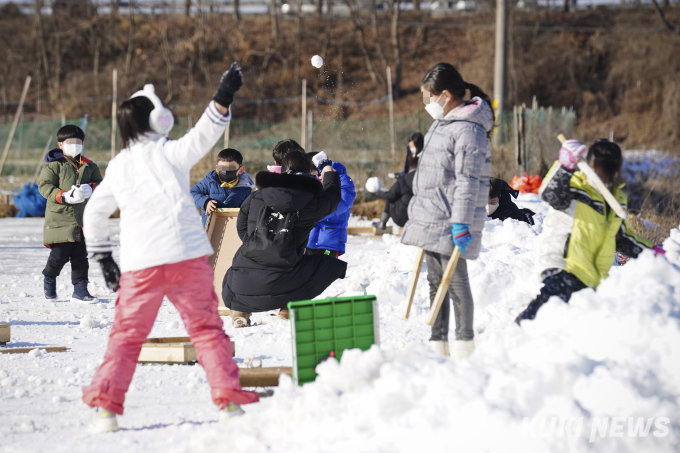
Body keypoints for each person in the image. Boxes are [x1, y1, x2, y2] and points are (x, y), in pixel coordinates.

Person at [81, 63, 258, 433]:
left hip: (139, 264)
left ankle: (105, 411)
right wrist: (223, 97)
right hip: (185, 258)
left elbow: (94, 214)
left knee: (126, 338)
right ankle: (227, 400)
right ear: (160, 119)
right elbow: (205, 134)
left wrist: (102, 257)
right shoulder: (171, 153)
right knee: (207, 330)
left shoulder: (117, 166)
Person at [401, 63, 494, 358]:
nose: (426, 103)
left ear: (445, 95)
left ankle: (465, 343)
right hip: (432, 215)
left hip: (451, 218)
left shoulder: (470, 130)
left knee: (455, 281)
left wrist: (462, 222)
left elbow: (468, 180)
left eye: (428, 97)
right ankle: (437, 343)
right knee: (433, 280)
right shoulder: (442, 124)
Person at [515, 139, 662, 324]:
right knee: (541, 314)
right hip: (564, 264)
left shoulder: (616, 198)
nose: (604, 177)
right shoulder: (574, 187)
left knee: (567, 326)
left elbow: (621, 237)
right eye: (600, 170)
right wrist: (564, 166)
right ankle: (512, 337)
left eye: (610, 171)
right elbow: (549, 194)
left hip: (592, 275)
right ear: (590, 165)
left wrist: (654, 251)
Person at [223, 150, 346, 328]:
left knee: (234, 270)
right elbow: (333, 199)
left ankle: (239, 314)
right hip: (284, 278)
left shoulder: (258, 195)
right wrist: (328, 170)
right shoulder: (310, 201)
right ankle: (287, 310)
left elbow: (242, 225)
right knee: (329, 265)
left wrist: (258, 243)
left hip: (242, 282)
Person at [39, 125, 103, 303]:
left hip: (82, 220)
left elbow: (101, 184)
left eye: (78, 142)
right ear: (61, 144)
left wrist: (91, 188)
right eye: (70, 142)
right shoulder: (54, 166)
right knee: (59, 256)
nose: (75, 145)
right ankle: (49, 278)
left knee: (81, 257)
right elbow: (45, 187)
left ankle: (80, 290)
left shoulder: (90, 166)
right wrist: (64, 196)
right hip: (60, 219)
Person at [306, 151, 356, 258]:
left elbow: (342, 203)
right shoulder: (313, 180)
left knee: (325, 272)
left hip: (329, 241)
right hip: (308, 240)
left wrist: (313, 213)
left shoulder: (342, 179)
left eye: (312, 173)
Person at [191, 148, 254, 226]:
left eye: (231, 168)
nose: (226, 171)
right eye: (222, 168)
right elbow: (192, 193)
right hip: (209, 229)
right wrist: (205, 202)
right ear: (217, 168)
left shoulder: (245, 188)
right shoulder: (210, 181)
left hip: (232, 230)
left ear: (240, 170)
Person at [367, 155, 418, 230]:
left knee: (392, 197)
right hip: (417, 218)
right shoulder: (423, 181)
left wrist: (377, 193)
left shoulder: (403, 180)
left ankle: (382, 223)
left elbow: (390, 196)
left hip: (401, 218)